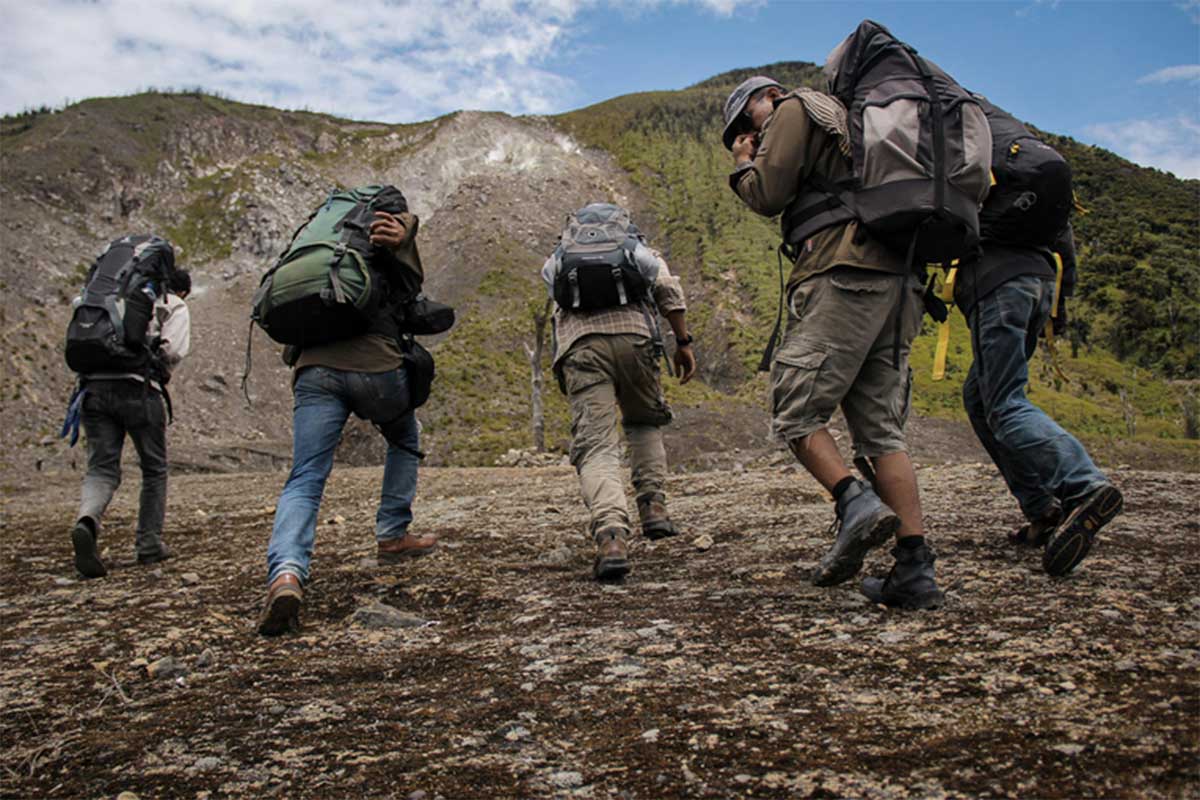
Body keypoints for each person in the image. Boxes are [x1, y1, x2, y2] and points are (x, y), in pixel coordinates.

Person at [723, 76, 943, 609]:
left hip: (844, 273)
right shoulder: (850, 120)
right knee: (880, 432)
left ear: (764, 98)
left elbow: (768, 195)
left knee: (795, 409)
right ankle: (914, 569)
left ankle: (853, 500)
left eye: (741, 122)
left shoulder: (794, 108)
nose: (744, 133)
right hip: (900, 283)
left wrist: (742, 164)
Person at [259, 207, 434, 636]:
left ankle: (286, 573)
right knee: (405, 436)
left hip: (314, 371)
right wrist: (404, 245)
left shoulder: (314, 248)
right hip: (377, 367)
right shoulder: (388, 239)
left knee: (305, 477)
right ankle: (393, 533)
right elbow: (411, 294)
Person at [542, 203, 697, 581]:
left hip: (582, 347)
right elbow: (667, 290)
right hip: (637, 339)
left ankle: (612, 537)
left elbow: (555, 300)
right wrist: (683, 342)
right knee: (644, 422)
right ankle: (654, 508)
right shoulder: (637, 249)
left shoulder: (562, 255)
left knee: (596, 445)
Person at [959, 224, 1124, 576]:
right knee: (978, 398)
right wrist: (1060, 302)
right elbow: (1063, 237)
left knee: (1004, 404)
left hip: (998, 283)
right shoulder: (1040, 169)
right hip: (1040, 282)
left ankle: (1083, 485)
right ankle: (1042, 511)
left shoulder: (975, 169)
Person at [70, 267, 191, 578]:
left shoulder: (102, 297)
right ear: (181, 290)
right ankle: (149, 544)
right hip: (140, 391)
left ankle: (87, 520)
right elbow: (174, 350)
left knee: (101, 467)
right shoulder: (172, 304)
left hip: (93, 390)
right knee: (153, 468)